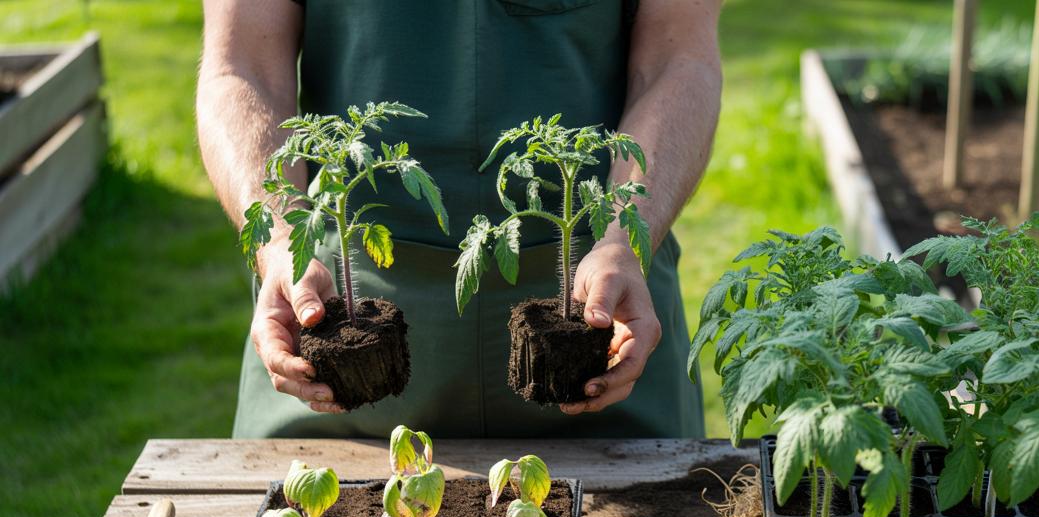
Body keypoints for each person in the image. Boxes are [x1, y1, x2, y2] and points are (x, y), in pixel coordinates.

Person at [197, 0, 721, 439]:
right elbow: (243, 65)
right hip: (335, 325)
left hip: (603, 329)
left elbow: (678, 58)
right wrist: (284, 240)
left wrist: (624, 237)